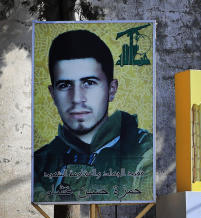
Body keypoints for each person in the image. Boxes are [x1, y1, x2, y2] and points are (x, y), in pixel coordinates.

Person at [33, 29, 152, 202]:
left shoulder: (146, 152)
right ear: (53, 95)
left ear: (112, 89)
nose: (76, 99)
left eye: (89, 83)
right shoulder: (40, 163)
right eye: (65, 85)